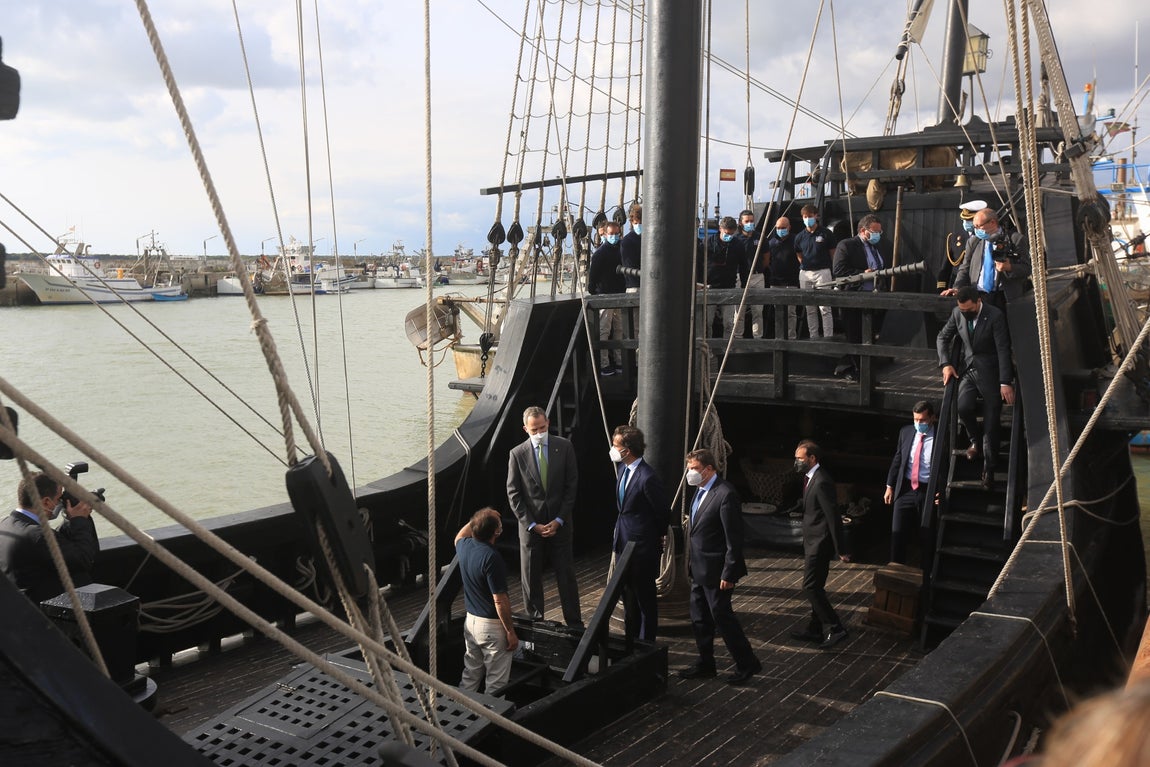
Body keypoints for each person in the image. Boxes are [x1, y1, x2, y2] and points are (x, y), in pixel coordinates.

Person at [678, 448, 761, 685]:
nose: (689, 473)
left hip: (717, 572)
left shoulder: (725, 494)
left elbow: (733, 538)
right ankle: (706, 663)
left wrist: (729, 572)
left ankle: (747, 663)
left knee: (723, 618)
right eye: (689, 468)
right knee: (699, 619)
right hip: (698, 569)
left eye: (693, 469)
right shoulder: (699, 492)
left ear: (709, 469)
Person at [506, 406, 583, 628]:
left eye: (542, 427)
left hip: (560, 524)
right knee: (530, 577)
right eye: (534, 430)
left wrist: (559, 520)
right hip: (531, 528)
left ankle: (574, 622)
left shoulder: (564, 447)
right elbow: (514, 494)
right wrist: (531, 524)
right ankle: (535, 621)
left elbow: (571, 487)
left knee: (566, 575)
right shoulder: (517, 454)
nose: (539, 432)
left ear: (547, 423)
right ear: (525, 429)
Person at [936, 285, 1015, 487]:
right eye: (962, 310)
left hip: (990, 373)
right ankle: (974, 441)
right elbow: (942, 337)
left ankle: (989, 468)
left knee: (991, 422)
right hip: (968, 370)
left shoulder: (994, 316)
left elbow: (1003, 349)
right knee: (963, 407)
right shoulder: (958, 313)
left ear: (978, 302)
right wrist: (946, 363)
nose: (965, 313)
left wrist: (1005, 381)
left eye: (968, 310)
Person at [610, 425, 669, 642]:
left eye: (616, 445)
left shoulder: (647, 477)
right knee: (628, 596)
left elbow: (662, 511)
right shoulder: (622, 469)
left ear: (628, 449)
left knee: (645, 598)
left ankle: (646, 643)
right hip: (623, 542)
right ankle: (631, 638)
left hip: (642, 548)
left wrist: (656, 537)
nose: (613, 449)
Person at [0, 472, 98, 603]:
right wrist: (80, 519)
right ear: (46, 502)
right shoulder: (37, 535)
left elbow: (55, 547)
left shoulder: (5, 525)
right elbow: (83, 559)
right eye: (59, 499)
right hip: (48, 614)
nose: (61, 503)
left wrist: (71, 520)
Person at [789, 440, 850, 649]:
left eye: (800, 458)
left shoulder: (822, 480)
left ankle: (836, 627)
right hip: (812, 540)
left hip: (820, 542)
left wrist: (840, 548)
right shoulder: (810, 478)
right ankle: (815, 630)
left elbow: (833, 516)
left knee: (811, 587)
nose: (796, 462)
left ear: (812, 458)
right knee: (817, 586)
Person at [455, 507, 518, 695]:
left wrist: (480, 515)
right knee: (496, 684)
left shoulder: (464, 546)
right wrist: (510, 631)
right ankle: (492, 721)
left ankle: (462, 714)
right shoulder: (492, 557)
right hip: (491, 626)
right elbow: (499, 600)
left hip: (471, 621)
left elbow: (459, 535)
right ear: (497, 532)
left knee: (470, 675)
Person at [832, 214, 892, 376]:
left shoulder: (876, 247)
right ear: (863, 231)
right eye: (875, 232)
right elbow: (839, 271)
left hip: (873, 298)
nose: (878, 235)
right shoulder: (846, 245)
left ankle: (867, 371)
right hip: (854, 299)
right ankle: (858, 371)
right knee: (855, 336)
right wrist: (862, 273)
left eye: (880, 232)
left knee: (870, 336)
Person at [944, 207, 1031, 311]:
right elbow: (965, 267)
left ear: (993, 222)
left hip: (1003, 296)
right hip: (979, 296)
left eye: (978, 226)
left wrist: (1009, 267)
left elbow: (1027, 268)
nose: (976, 230)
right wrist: (957, 288)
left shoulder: (1016, 240)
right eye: (974, 227)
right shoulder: (974, 242)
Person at [884, 401, 936, 565]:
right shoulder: (906, 432)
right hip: (905, 488)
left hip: (927, 490)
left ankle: (926, 572)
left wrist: (943, 490)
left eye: (922, 420)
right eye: (915, 420)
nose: (918, 424)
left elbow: (946, 467)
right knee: (897, 533)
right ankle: (895, 570)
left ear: (932, 418)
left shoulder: (942, 437)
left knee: (926, 536)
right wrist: (890, 485)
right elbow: (898, 459)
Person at [696, 216, 746, 338]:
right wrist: (698, 282)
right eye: (726, 233)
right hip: (709, 287)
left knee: (729, 323)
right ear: (720, 229)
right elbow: (698, 263)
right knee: (707, 323)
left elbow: (744, 266)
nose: (728, 236)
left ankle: (726, 350)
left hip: (729, 286)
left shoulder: (737, 245)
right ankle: (708, 350)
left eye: (731, 233)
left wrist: (744, 284)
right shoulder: (707, 243)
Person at [793, 204, 836, 338]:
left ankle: (828, 336)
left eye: (810, 216)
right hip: (805, 273)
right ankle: (814, 336)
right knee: (810, 308)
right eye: (805, 217)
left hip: (823, 272)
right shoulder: (799, 237)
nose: (808, 219)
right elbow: (799, 254)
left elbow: (832, 253)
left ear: (816, 216)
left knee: (825, 308)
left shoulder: (826, 233)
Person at [588, 220, 625, 375]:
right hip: (604, 295)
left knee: (619, 330)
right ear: (605, 234)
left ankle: (619, 361)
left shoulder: (621, 250)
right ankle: (604, 364)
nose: (614, 237)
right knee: (604, 329)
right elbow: (593, 276)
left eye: (617, 234)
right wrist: (594, 292)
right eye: (611, 234)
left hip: (619, 294)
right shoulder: (600, 254)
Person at [936, 200, 986, 292]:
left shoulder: (987, 237)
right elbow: (946, 266)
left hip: (979, 286)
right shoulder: (954, 238)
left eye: (970, 220)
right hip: (958, 286)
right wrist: (942, 288)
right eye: (964, 220)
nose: (966, 223)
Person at [766, 216, 801, 339]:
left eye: (783, 228)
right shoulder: (771, 242)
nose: (780, 230)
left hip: (791, 281)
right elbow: (767, 261)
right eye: (778, 228)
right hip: (776, 282)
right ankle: (779, 336)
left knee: (791, 312)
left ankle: (791, 337)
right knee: (778, 313)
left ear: (789, 227)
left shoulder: (796, 240)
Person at [737, 209, 768, 338]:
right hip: (741, 276)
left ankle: (757, 337)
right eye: (747, 221)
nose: (750, 223)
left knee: (758, 310)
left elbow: (766, 258)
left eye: (751, 221)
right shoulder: (736, 239)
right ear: (740, 223)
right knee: (739, 311)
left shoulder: (760, 237)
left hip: (757, 276)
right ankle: (737, 337)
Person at [620, 203, 642, 293]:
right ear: (632, 222)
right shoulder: (627, 241)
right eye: (636, 223)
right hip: (635, 286)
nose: (639, 225)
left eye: (641, 223)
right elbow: (629, 265)